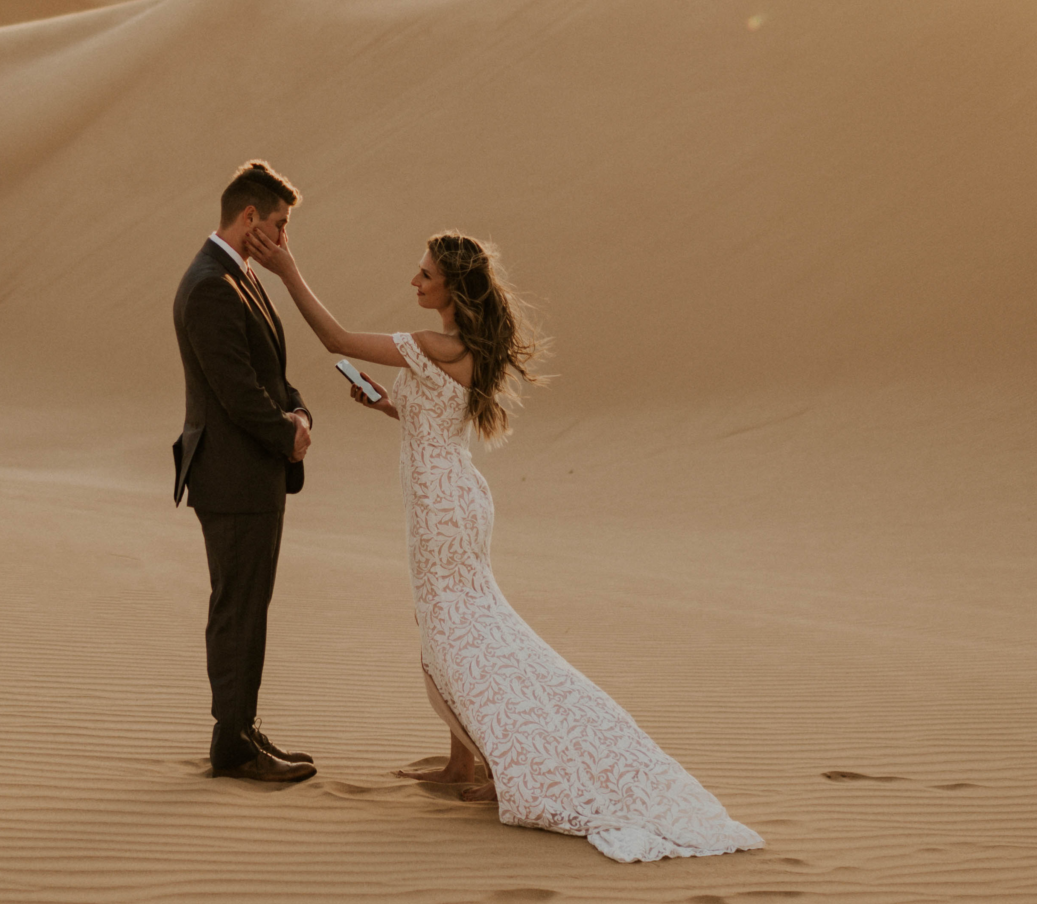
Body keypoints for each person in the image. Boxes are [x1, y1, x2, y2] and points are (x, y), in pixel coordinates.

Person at [246, 223, 762, 862]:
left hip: (441, 505)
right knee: (457, 624)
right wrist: (384, 404)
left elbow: (333, 337)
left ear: (453, 288)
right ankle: (464, 762)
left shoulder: (434, 343)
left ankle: (489, 759)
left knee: (451, 629)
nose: (414, 281)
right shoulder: (459, 348)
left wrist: (287, 269)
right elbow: (432, 416)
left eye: (425, 274)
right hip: (454, 496)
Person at [171, 160, 317, 784]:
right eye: (281, 225)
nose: (285, 240)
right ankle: (231, 743)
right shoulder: (209, 284)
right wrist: (289, 434)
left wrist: (300, 408)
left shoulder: (239, 277)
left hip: (250, 474)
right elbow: (237, 392)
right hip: (232, 477)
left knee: (248, 607)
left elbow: (269, 373)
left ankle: (242, 727)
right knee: (237, 609)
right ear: (250, 216)